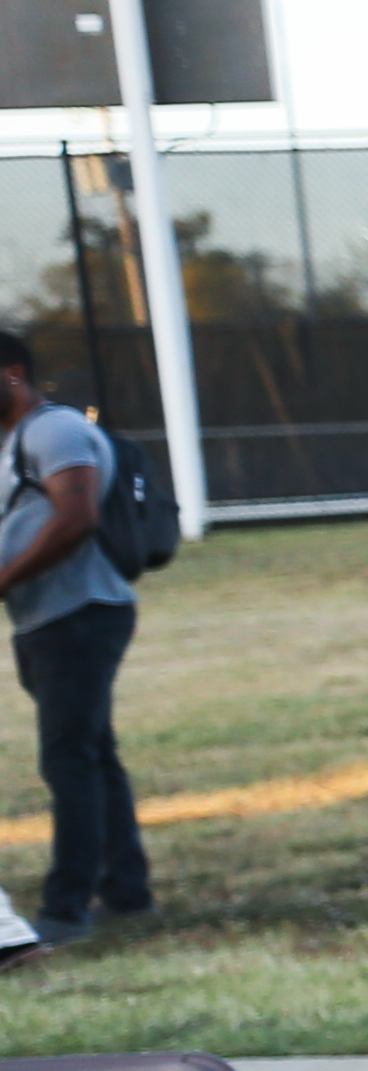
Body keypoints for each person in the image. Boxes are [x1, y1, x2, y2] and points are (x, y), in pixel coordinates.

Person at [0, 333, 151, 945]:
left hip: (81, 615)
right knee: (92, 755)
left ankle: (66, 908)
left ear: (11, 373)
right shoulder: (16, 443)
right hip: (47, 620)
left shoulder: (52, 433)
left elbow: (76, 516)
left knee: (68, 760)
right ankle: (127, 891)